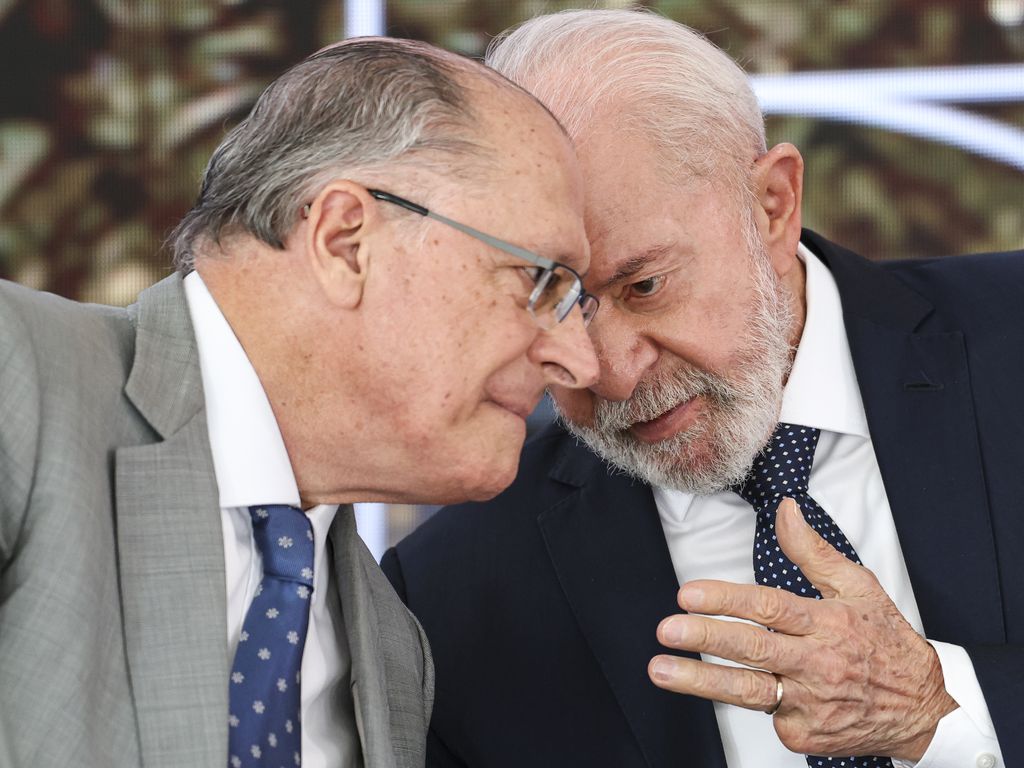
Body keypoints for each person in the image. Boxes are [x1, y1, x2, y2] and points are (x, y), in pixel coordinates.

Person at [381, 10, 1024, 768]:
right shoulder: (448, 597)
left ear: (773, 205)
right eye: (551, 308)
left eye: (645, 286)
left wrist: (941, 707)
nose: (609, 372)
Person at [0, 37, 600, 768]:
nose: (580, 360)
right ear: (345, 241)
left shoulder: (393, 648)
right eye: (542, 281)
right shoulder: (16, 379)